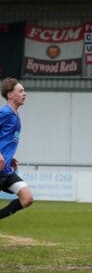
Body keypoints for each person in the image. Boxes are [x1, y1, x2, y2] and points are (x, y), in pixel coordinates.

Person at [0, 77, 33, 221]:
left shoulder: (15, 116)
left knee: (27, 198)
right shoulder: (6, 112)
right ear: (10, 95)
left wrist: (8, 157)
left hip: (6, 169)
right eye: (20, 91)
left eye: (24, 91)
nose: (24, 93)